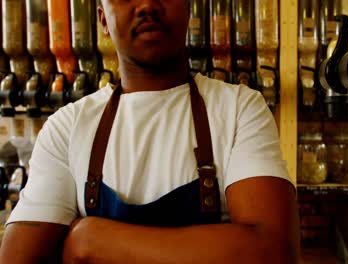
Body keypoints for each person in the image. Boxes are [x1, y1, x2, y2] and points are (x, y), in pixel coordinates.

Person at [0, 0, 299, 263]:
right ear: (103, 20)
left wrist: (90, 239)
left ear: (188, 8)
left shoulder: (239, 108)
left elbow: (272, 253)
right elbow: (20, 257)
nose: (147, 5)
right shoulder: (66, 128)